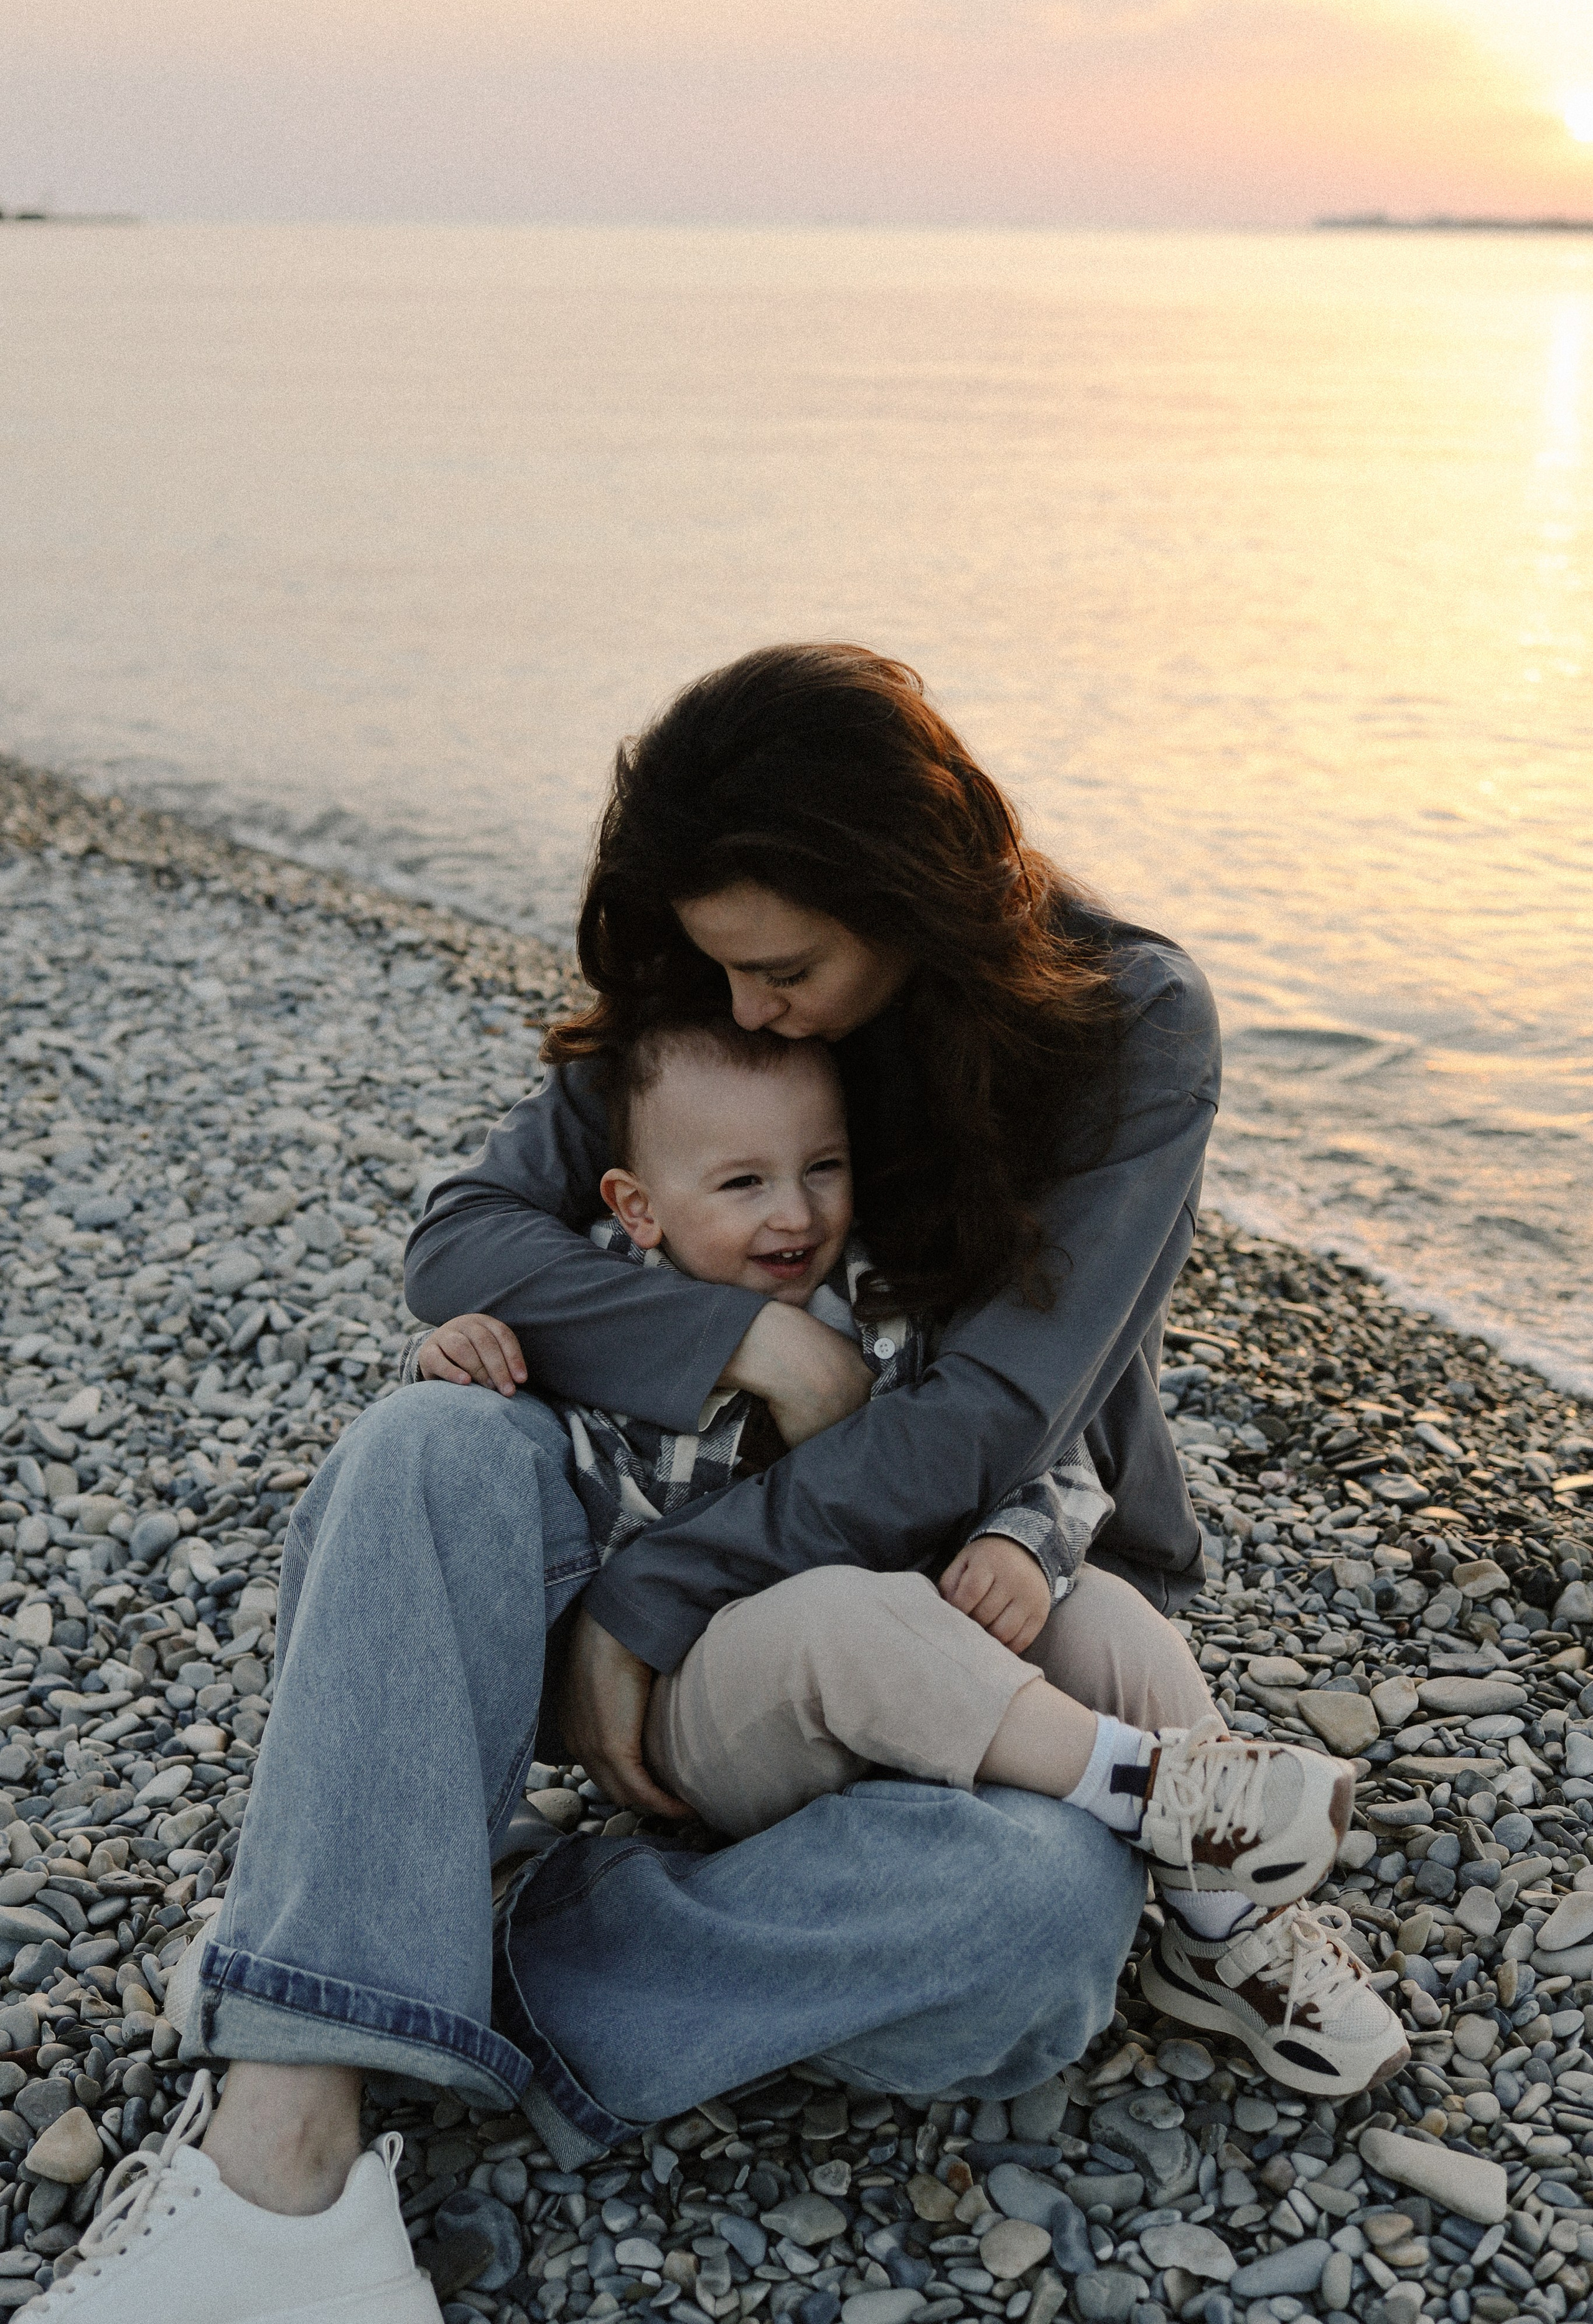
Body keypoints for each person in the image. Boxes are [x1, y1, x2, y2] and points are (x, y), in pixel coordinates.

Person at [30, 646, 1405, 2324]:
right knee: (431, 1440)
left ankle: (393, 1955)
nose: (748, 1009)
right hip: (685, 1561)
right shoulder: (715, 997)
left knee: (1045, 1915)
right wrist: (747, 1348)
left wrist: (648, 1600)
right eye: (721, 970)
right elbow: (465, 1236)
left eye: (787, 970)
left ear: (902, 892)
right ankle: (284, 2161)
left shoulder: (1126, 1028)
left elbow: (984, 1429)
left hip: (981, 1568)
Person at [416, 1013, 1358, 1934]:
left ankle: (1236, 1926)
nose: (795, 1211)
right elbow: (464, 1448)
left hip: (919, 1647)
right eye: (743, 1182)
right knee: (844, 1618)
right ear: (638, 1207)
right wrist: (450, 1353)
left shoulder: (893, 1296)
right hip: (699, 1704)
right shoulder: (597, 1304)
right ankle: (1145, 1787)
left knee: (1110, 1619)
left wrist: (1021, 1540)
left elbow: (1039, 1439)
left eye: (822, 1167)